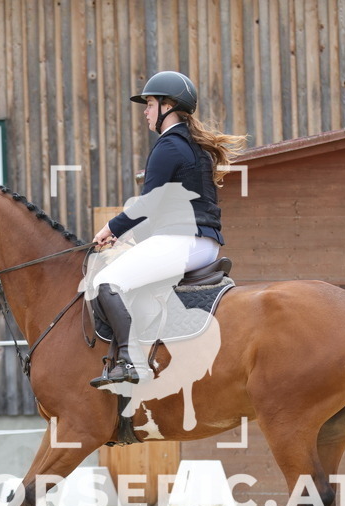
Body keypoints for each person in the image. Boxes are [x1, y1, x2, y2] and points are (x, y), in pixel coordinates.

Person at [89, 70, 247, 388]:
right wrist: (132, 235)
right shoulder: (191, 145)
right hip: (199, 243)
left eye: (149, 104)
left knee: (106, 281)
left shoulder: (169, 146)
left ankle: (131, 362)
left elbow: (148, 203)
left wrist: (111, 228)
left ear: (168, 106)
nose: (145, 112)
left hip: (183, 242)